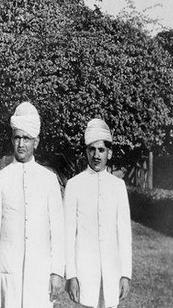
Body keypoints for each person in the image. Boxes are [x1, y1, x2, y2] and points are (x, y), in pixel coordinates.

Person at [0, 102, 65, 307]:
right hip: (8, 272)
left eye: (26, 138)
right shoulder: (0, 179)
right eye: (17, 138)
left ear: (36, 142)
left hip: (40, 273)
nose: (21, 144)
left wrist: (57, 272)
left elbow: (58, 230)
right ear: (12, 139)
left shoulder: (49, 180)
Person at [64, 119, 132, 308]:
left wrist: (125, 274)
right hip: (84, 271)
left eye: (101, 150)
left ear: (109, 153)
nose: (96, 155)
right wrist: (71, 275)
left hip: (112, 271)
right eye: (92, 150)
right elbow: (68, 235)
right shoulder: (74, 185)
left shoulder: (118, 186)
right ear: (86, 151)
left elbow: (124, 234)